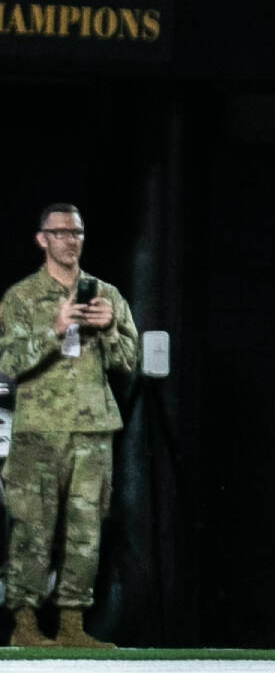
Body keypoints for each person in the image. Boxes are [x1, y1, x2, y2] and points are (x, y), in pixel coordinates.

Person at [0, 204, 139, 648]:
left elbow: (129, 360)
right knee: (32, 526)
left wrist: (110, 327)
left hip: (92, 427)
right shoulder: (21, 297)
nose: (69, 240)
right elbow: (7, 364)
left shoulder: (105, 294)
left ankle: (73, 623)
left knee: (86, 528)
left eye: (76, 232)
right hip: (38, 428)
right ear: (42, 239)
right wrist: (54, 331)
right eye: (59, 232)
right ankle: (25, 622)